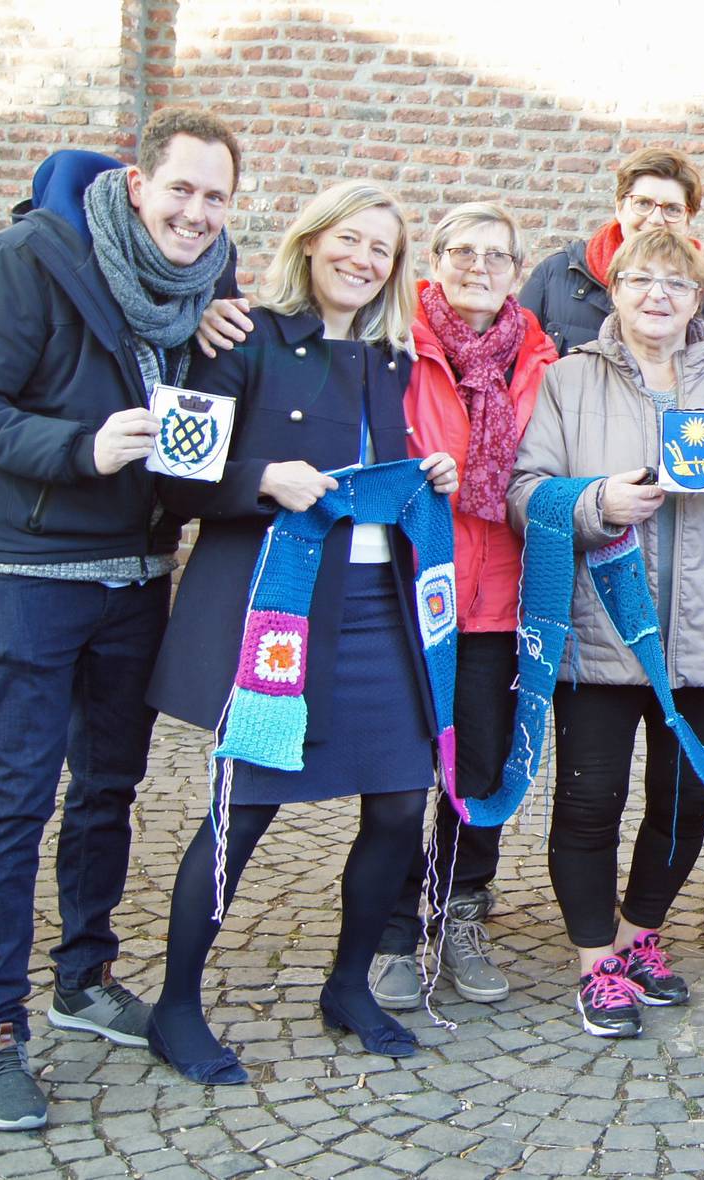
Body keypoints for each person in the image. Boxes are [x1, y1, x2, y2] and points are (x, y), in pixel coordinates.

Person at [0, 108, 243, 1130]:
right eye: (181, 189)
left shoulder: (205, 283)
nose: (196, 214)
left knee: (111, 785)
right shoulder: (23, 259)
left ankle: (85, 978)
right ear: (137, 182)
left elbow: (192, 431)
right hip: (30, 566)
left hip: (138, 567)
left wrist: (215, 366)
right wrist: (81, 446)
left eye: (216, 197)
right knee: (19, 794)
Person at [143, 182, 459, 1084]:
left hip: (381, 618)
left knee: (401, 805)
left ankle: (349, 986)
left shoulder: (399, 360)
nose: (363, 260)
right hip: (279, 620)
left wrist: (430, 470)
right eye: (348, 240)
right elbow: (175, 478)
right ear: (312, 242)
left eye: (381, 250)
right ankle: (174, 1006)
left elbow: (398, 472)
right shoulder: (244, 338)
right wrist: (260, 479)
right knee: (240, 816)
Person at [507, 229, 704, 1038]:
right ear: (614, 288)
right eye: (639, 279)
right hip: (600, 630)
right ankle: (593, 962)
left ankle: (643, 937)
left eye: (676, 283)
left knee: (680, 807)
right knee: (589, 802)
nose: (657, 296)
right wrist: (595, 503)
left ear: (697, 298)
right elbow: (523, 493)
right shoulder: (569, 380)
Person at [365, 203, 558, 1014]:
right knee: (404, 773)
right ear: (434, 259)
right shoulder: (393, 344)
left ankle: (463, 911)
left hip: (502, 599)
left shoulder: (544, 362)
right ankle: (390, 929)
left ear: (519, 272)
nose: (481, 266)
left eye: (498, 256)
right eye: (463, 252)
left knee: (478, 769)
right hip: (413, 592)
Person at [519, 147, 704, 354]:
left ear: (688, 220)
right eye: (643, 203)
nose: (655, 219)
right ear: (619, 207)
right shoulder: (554, 277)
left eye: (672, 209)